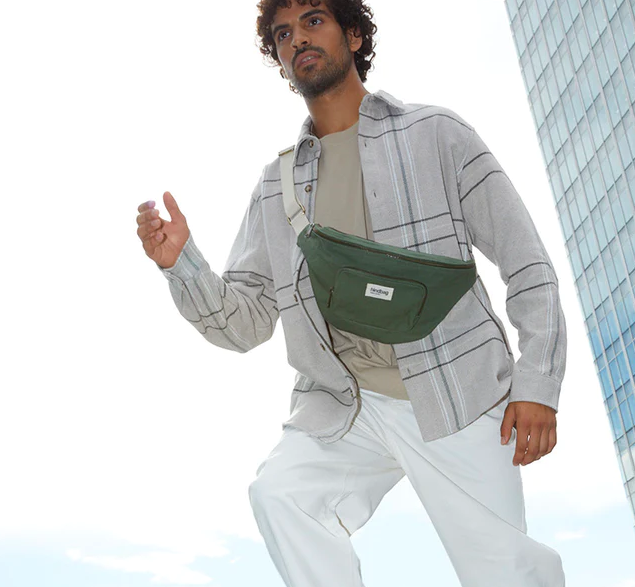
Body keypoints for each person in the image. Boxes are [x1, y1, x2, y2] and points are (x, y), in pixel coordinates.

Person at [135, 0, 568, 585]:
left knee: (507, 573)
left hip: (455, 391)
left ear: (355, 34)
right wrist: (182, 265)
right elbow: (245, 324)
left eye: (313, 20)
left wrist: (538, 384)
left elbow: (527, 261)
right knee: (280, 494)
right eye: (282, 34)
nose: (297, 39)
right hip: (343, 402)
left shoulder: (436, 133)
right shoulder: (276, 185)